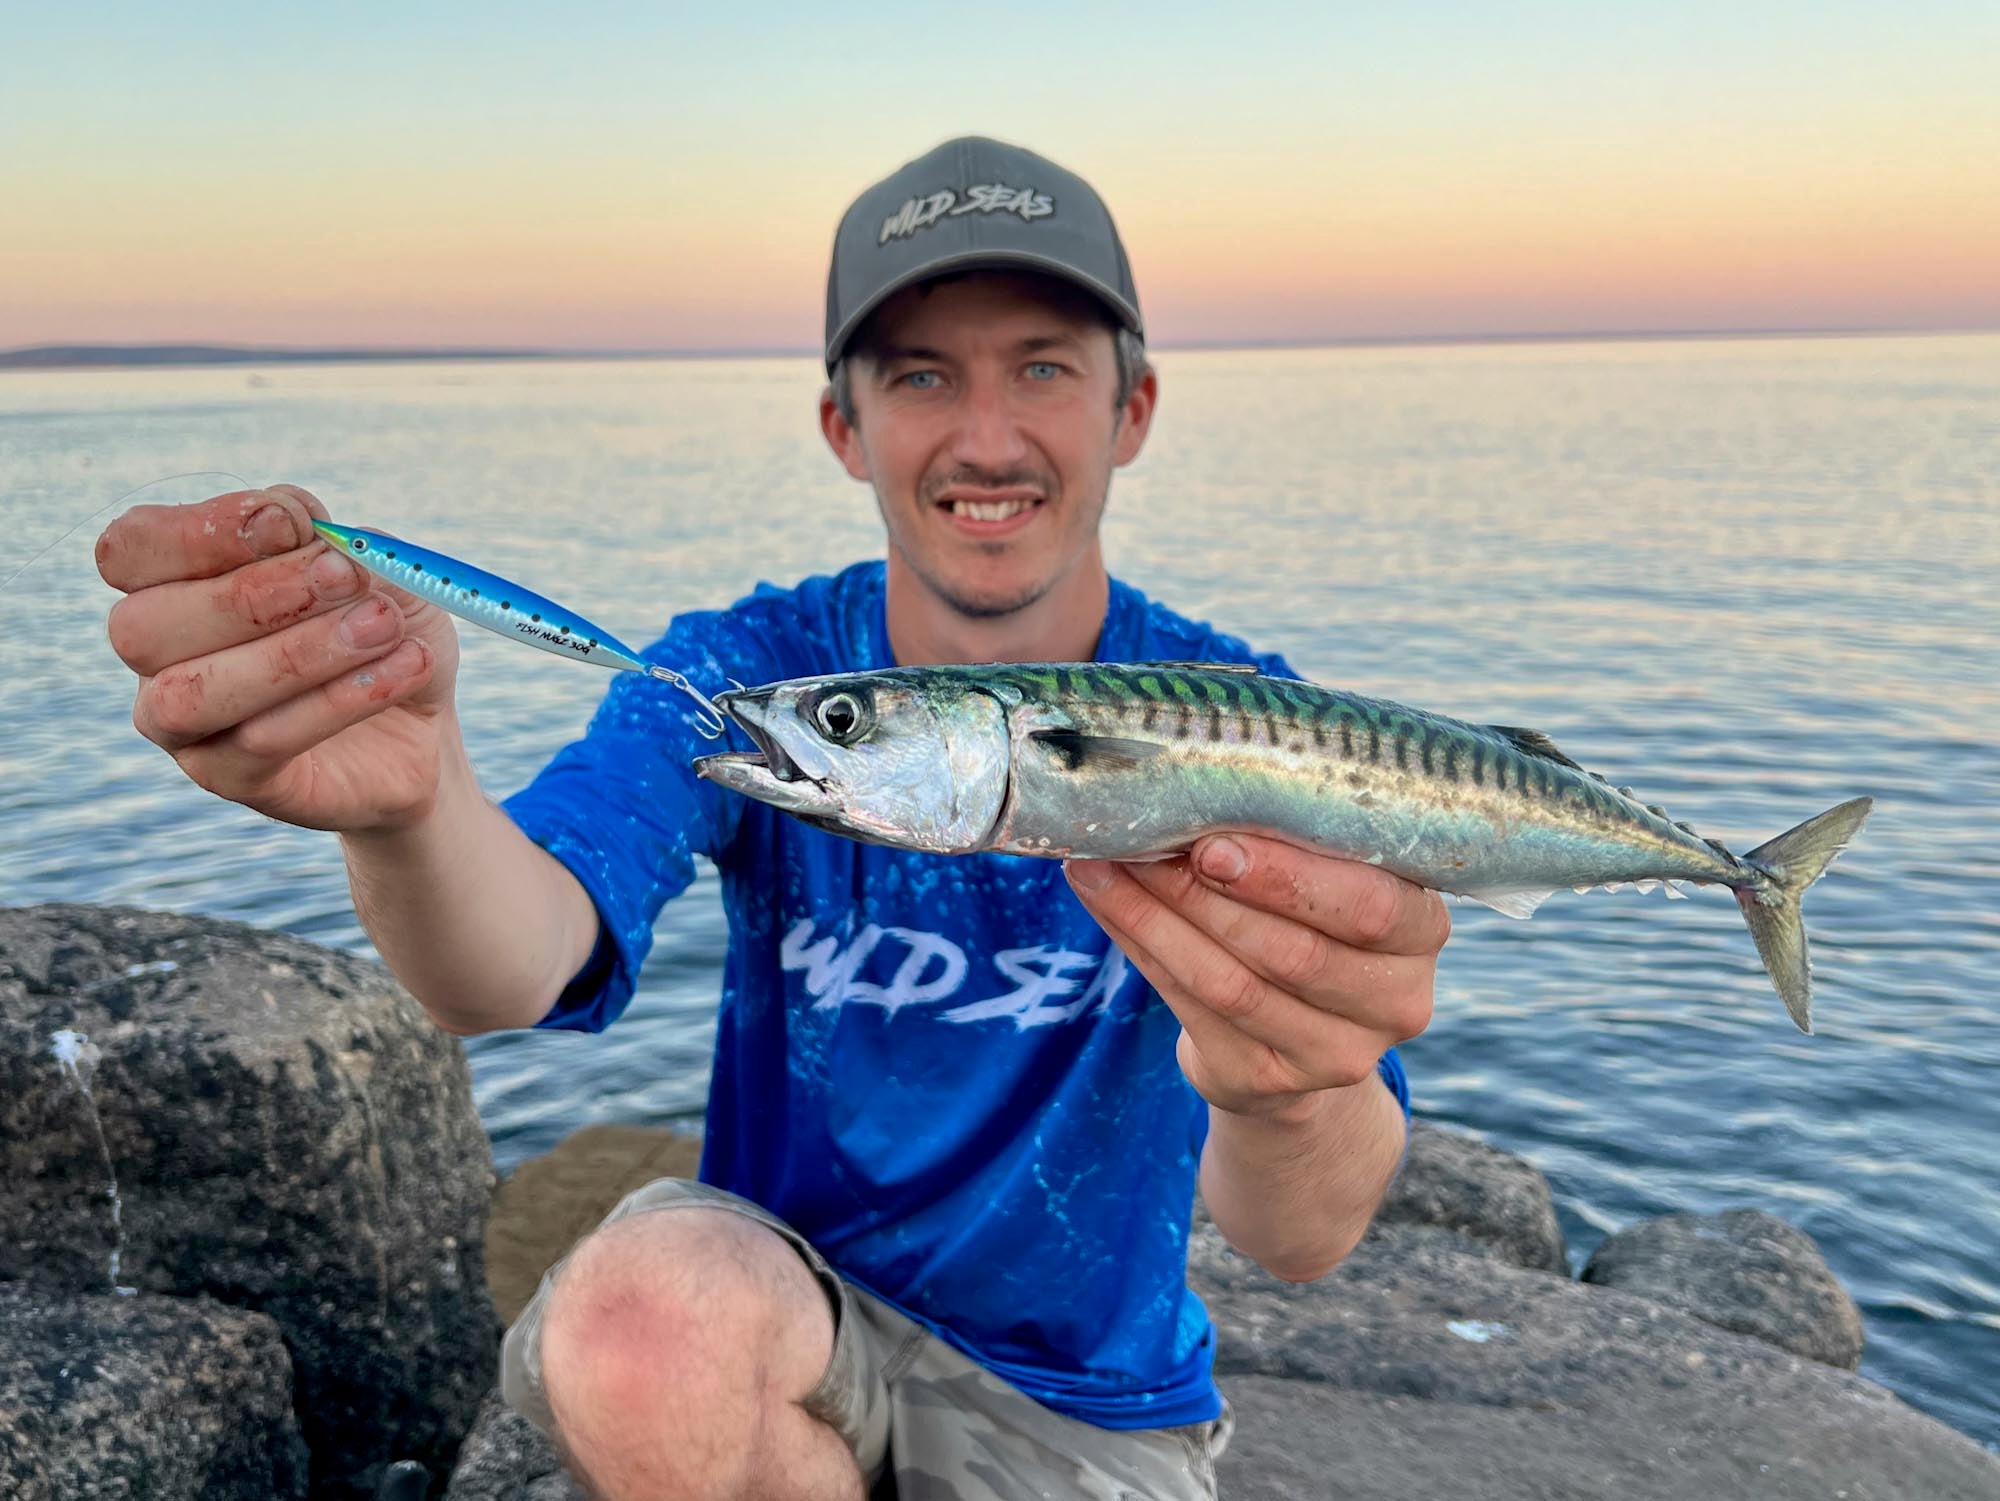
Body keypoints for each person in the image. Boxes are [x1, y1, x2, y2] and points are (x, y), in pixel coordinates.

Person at [96, 137, 1442, 1501]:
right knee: (641, 1320)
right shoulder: (756, 678)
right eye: (920, 375)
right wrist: (412, 803)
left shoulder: (1255, 728)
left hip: (1089, 1408)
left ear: (1132, 409)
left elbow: (1303, 1235)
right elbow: (516, 960)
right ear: (843, 426)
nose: (986, 439)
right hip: (783, 1335)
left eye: (1042, 367)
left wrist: (1293, 1078)